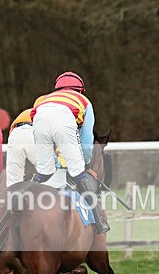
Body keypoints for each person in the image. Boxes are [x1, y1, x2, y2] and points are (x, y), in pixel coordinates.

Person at [30, 71, 109, 234]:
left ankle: (19, 202)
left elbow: (41, 127)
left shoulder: (46, 99)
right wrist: (84, 163)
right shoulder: (84, 101)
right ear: (80, 90)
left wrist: (55, 162)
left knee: (44, 173)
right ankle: (98, 221)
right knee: (79, 173)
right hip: (63, 120)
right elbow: (87, 142)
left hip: (38, 119)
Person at [6, 108, 36, 186]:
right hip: (35, 130)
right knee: (49, 173)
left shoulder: (25, 113)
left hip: (15, 133)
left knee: (13, 181)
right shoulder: (55, 114)